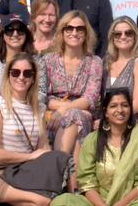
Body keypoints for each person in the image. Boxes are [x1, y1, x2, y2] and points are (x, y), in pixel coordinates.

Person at [50, 88, 138, 206]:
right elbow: (86, 183)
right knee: (58, 204)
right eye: (114, 106)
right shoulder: (93, 140)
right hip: (97, 205)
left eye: (125, 105)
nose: (120, 110)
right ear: (105, 112)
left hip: (129, 205)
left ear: (130, 109)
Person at [0, 52, 70, 206]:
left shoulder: (39, 108)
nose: (21, 77)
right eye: (15, 72)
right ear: (8, 75)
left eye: (27, 73)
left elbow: (44, 149)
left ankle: (8, 205)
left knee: (54, 194)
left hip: (22, 172)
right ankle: (13, 205)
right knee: (44, 202)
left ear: (34, 78)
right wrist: (29, 157)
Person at [39, 10, 104, 156]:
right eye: (69, 28)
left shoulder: (95, 62)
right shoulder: (48, 60)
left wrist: (64, 110)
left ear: (86, 33)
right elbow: (42, 96)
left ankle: (56, 164)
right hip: (50, 116)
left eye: (80, 29)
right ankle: (68, 176)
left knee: (75, 116)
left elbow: (90, 98)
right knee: (75, 142)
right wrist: (64, 108)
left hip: (82, 114)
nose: (74, 33)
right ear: (62, 32)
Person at [0, 14, 35, 104]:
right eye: (9, 30)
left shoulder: (36, 61)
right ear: (3, 34)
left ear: (26, 34)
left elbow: (41, 95)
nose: (15, 34)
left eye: (20, 30)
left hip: (28, 112)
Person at [102, 16, 138, 114]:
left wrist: (109, 118)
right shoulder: (106, 62)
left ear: (135, 37)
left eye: (128, 33)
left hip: (129, 121)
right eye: (117, 34)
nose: (123, 36)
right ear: (112, 38)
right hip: (105, 119)